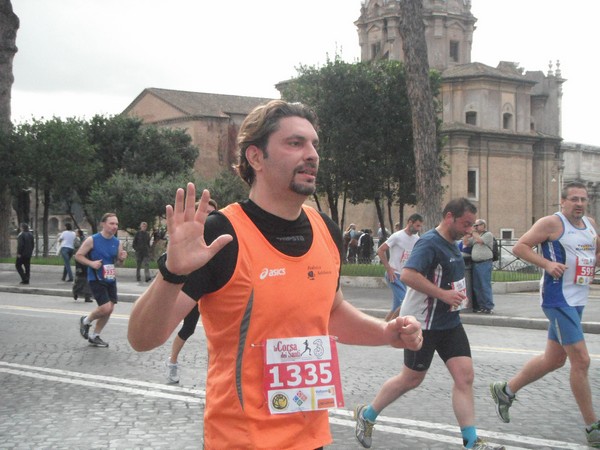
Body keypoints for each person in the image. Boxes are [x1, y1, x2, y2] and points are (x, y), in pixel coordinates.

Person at [127, 100, 423, 450]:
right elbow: (142, 339)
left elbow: (329, 312)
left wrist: (386, 333)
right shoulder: (222, 233)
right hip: (241, 440)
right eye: (295, 143)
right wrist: (171, 272)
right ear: (256, 157)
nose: (311, 154)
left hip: (311, 437)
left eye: (314, 144)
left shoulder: (325, 229)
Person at [355, 198, 505, 450]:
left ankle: (471, 442)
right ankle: (367, 415)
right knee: (411, 379)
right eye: (466, 224)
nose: (469, 230)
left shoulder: (453, 243)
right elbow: (408, 275)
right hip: (422, 324)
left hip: (449, 323)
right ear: (449, 217)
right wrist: (443, 294)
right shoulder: (429, 242)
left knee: (464, 377)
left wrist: (457, 296)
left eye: (472, 225)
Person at [490, 181, 600, 448]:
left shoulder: (591, 223)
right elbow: (520, 247)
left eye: (583, 199)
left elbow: (595, 252)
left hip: (578, 298)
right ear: (562, 202)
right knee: (581, 361)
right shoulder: (552, 223)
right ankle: (592, 428)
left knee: (554, 359)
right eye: (574, 199)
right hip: (557, 298)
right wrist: (548, 264)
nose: (579, 204)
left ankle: (505, 391)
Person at [165, 198, 218, 384]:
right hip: (193, 285)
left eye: (213, 213)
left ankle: (214, 375)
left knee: (218, 331)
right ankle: (172, 363)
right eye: (205, 212)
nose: (209, 216)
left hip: (215, 287)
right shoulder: (188, 234)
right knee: (188, 328)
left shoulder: (219, 232)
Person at [76, 213, 127, 348]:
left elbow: (119, 263)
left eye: (116, 224)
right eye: (111, 223)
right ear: (103, 224)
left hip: (110, 278)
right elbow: (78, 256)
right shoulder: (92, 240)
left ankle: (95, 336)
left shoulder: (117, 242)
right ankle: (86, 321)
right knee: (105, 307)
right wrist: (91, 263)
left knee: (109, 309)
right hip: (96, 278)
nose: (115, 226)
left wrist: (122, 258)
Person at [377, 213, 423, 321]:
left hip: (406, 277)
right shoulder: (397, 236)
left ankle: (384, 326)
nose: (418, 229)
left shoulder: (417, 238)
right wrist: (388, 268)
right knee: (404, 302)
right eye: (417, 226)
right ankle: (389, 329)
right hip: (394, 275)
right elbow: (380, 250)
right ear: (410, 222)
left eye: (420, 226)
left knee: (397, 306)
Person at [470, 219, 495, 313]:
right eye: (475, 225)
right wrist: (467, 234)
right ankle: (482, 306)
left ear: (484, 225)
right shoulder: (475, 235)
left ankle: (488, 306)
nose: (476, 227)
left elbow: (480, 241)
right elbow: (466, 243)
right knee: (477, 286)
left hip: (484, 263)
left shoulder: (488, 234)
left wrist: (473, 232)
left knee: (484, 285)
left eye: (478, 225)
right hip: (475, 263)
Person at [458, 231, 478, 312]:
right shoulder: (460, 244)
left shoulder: (471, 245)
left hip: (469, 267)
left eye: (467, 236)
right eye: (464, 236)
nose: (465, 238)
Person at [72, 228, 92, 302]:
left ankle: (87, 296)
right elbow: (77, 255)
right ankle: (76, 292)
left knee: (88, 280)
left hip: (88, 262)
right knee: (80, 279)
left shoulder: (87, 241)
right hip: (80, 262)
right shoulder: (77, 241)